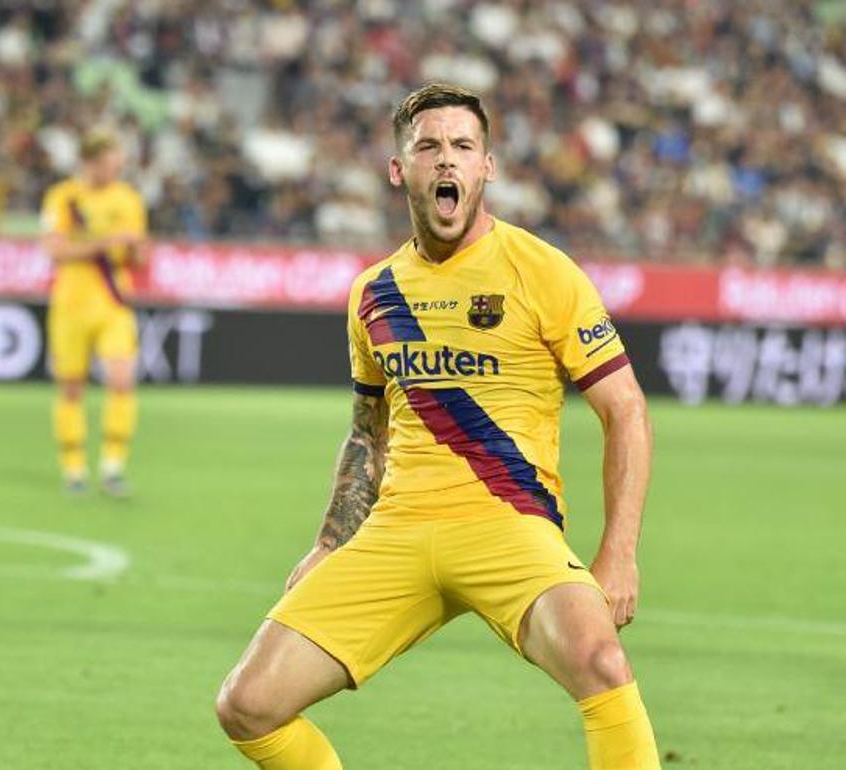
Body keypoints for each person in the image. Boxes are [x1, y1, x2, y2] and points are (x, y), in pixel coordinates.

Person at [215, 83, 660, 769]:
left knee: (600, 660)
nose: (445, 162)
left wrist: (619, 551)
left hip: (508, 526)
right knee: (246, 705)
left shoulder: (544, 271)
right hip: (398, 530)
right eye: (428, 147)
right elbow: (369, 430)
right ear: (400, 169)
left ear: (488, 166)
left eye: (462, 147)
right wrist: (328, 544)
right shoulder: (375, 293)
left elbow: (624, 408)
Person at [39, 130, 148, 496]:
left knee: (122, 379)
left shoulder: (128, 199)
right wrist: (106, 242)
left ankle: (113, 466)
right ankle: (74, 469)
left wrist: (136, 249)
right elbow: (53, 250)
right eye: (108, 164)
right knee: (71, 388)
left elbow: (140, 255)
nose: (114, 170)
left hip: (114, 302)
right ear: (90, 162)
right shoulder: (64, 197)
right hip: (71, 303)